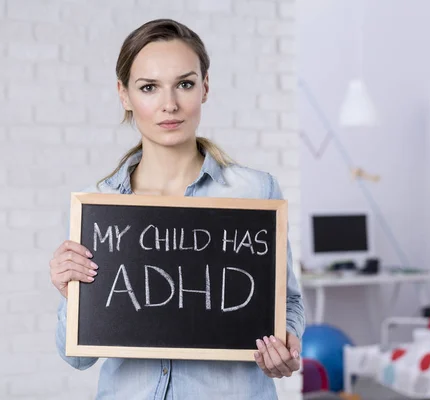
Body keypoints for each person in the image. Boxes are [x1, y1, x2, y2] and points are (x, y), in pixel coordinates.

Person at [49, 18, 305, 399]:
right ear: (124, 95)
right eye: (149, 87)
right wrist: (71, 291)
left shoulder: (254, 191)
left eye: (184, 84)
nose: (169, 104)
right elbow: (78, 359)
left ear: (205, 88)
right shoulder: (100, 205)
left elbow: (288, 301)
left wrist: (287, 341)